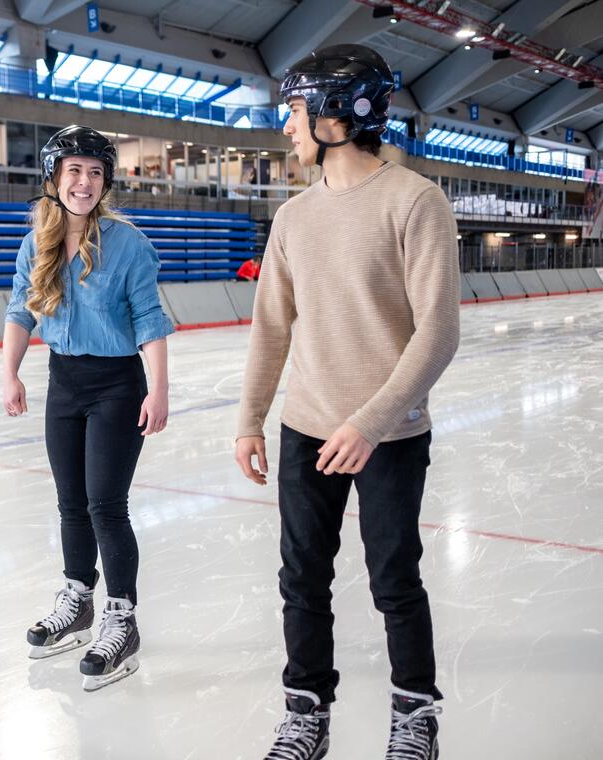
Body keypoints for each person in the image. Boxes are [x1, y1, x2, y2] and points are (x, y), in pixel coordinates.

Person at [232, 45, 459, 760]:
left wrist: (372, 420)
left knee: (395, 576)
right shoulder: (294, 218)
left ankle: (414, 712)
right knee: (301, 577)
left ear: (336, 115)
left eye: (294, 113)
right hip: (307, 427)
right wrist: (249, 421)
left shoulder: (415, 201)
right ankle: (307, 710)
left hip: (388, 435)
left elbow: (439, 334)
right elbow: (271, 326)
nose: (287, 130)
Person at [2, 125, 173, 692]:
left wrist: (159, 388)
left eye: (95, 172)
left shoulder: (128, 244)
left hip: (117, 385)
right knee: (70, 504)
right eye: (74, 171)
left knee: (105, 504)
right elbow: (21, 310)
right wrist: (10, 373)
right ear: (54, 178)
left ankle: (121, 617)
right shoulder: (38, 242)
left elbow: (149, 319)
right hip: (64, 382)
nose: (84, 182)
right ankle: (77, 600)